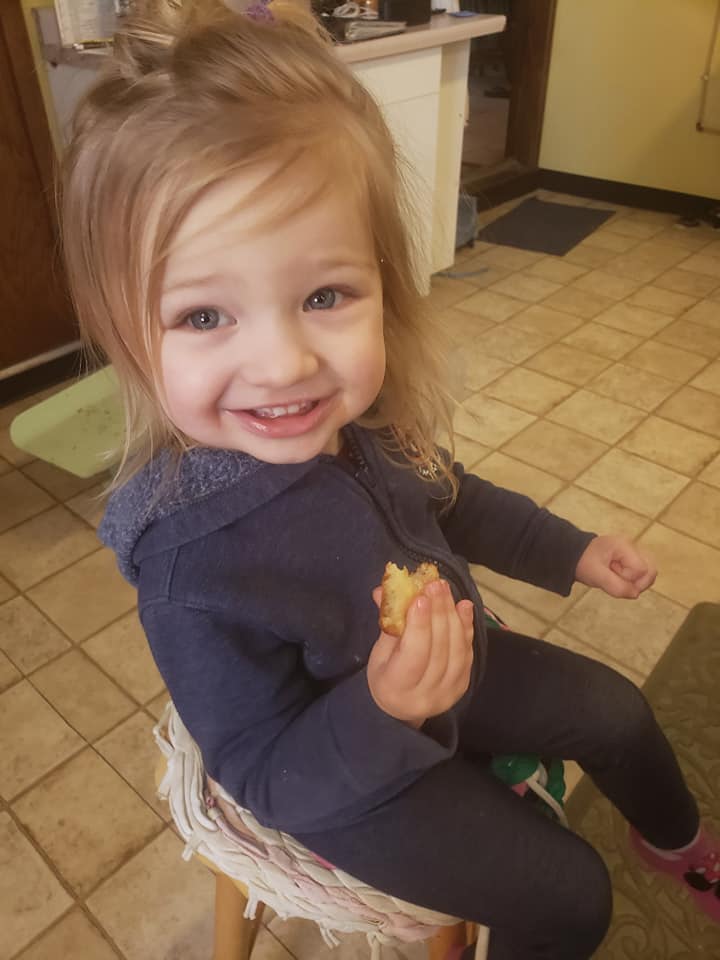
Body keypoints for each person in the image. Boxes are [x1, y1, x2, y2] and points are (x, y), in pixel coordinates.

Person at [60, 1, 719, 956]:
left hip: (450, 664)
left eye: (324, 295)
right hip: (344, 773)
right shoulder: (188, 562)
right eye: (205, 316)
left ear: (383, 281)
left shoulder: (356, 419)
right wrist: (385, 710)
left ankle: (679, 845)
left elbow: (455, 497)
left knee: (619, 710)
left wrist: (572, 551)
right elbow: (267, 768)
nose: (285, 365)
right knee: (571, 896)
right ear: (125, 330)